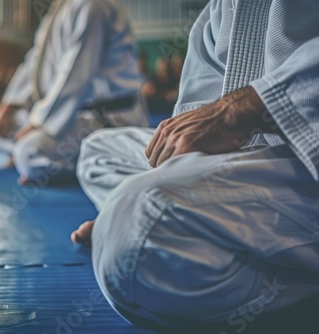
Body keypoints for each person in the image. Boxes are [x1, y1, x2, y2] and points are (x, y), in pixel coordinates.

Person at [72, 0, 319, 329]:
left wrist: (245, 108)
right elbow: (199, 104)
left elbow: (229, 112)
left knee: (140, 218)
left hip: (307, 156)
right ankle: (169, 223)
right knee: (98, 151)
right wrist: (181, 168)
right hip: (253, 155)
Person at [0, 0, 149, 185]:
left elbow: (76, 74)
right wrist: (9, 106)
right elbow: (35, 61)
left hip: (105, 119)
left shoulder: (92, 5)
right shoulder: (61, 6)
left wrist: (38, 122)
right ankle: (48, 157)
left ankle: (98, 163)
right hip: (66, 115)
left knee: (28, 151)